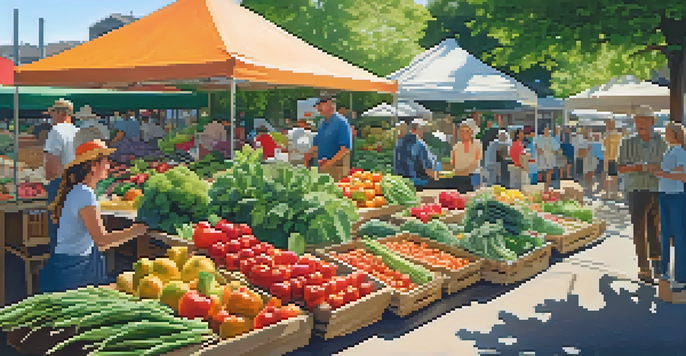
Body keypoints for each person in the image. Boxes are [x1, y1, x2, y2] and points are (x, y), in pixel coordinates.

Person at [40, 140, 147, 293]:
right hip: (75, 271)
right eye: (105, 161)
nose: (109, 166)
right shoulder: (84, 193)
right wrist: (137, 230)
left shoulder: (79, 191)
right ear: (93, 165)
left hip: (70, 267)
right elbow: (102, 241)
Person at [617, 105, 668, 283]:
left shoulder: (662, 142)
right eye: (638, 119)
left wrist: (659, 169)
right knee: (639, 229)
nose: (640, 123)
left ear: (652, 122)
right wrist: (640, 167)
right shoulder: (626, 142)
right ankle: (643, 268)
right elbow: (620, 168)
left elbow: (668, 166)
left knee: (655, 227)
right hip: (636, 189)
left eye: (644, 119)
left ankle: (657, 263)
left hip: (657, 188)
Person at [648, 122, 686, 293]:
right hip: (664, 194)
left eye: (667, 131)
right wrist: (658, 170)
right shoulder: (670, 151)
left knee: (678, 235)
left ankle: (679, 276)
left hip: (675, 196)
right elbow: (672, 171)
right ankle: (665, 273)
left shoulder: (680, 152)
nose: (665, 134)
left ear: (675, 134)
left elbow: (683, 175)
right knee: (665, 234)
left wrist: (662, 173)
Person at [44, 99, 80, 249]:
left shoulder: (56, 131)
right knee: (74, 231)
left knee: (57, 230)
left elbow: (52, 167)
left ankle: (58, 266)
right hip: (77, 185)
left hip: (60, 184)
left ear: (61, 113)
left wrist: (47, 180)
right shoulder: (78, 131)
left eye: (53, 114)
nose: (52, 118)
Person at [305, 94, 353, 181]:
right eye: (317, 107)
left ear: (330, 105)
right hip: (323, 167)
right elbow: (318, 144)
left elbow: (345, 149)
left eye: (320, 106)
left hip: (337, 169)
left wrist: (329, 163)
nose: (318, 109)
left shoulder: (341, 122)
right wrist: (310, 154)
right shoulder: (321, 123)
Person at [393, 119, 438, 190]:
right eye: (422, 129)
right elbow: (428, 168)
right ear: (418, 129)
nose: (423, 132)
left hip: (401, 184)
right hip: (419, 183)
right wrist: (435, 180)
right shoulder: (420, 144)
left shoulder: (399, 143)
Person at [451, 119, 482, 193]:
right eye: (462, 131)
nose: (464, 133)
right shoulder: (456, 146)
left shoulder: (477, 144)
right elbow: (453, 162)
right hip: (458, 178)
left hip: (473, 178)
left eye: (467, 131)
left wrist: (466, 172)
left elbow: (477, 161)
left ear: (472, 132)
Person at [603, 119, 623, 200]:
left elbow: (605, 147)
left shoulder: (609, 136)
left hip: (611, 158)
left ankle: (610, 193)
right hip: (615, 158)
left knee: (611, 176)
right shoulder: (618, 135)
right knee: (613, 176)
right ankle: (612, 193)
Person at [534, 125, 556, 191]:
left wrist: (554, 150)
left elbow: (556, 147)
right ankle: (540, 188)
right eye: (546, 128)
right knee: (542, 173)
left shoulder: (551, 138)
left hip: (550, 157)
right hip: (543, 157)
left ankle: (547, 188)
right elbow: (537, 146)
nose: (547, 130)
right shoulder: (539, 138)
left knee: (549, 172)